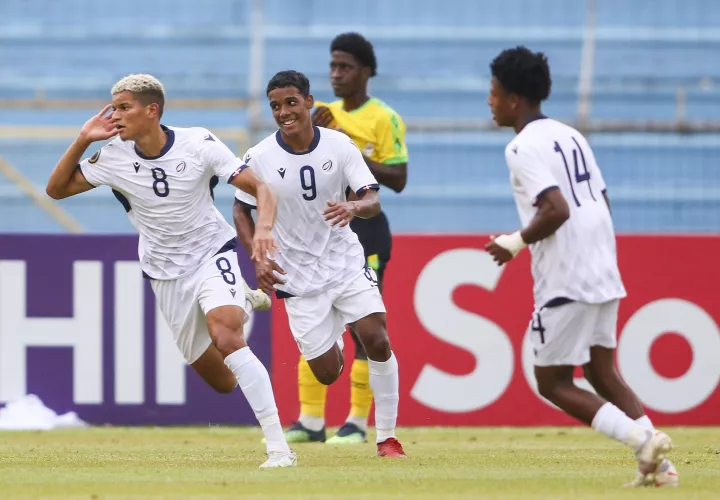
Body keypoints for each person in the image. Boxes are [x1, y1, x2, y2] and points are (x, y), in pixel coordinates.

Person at [45, 74, 296, 469]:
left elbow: (261, 188)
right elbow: (56, 190)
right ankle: (241, 295)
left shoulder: (198, 143)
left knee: (227, 334)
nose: (115, 116)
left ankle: (279, 449)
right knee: (224, 381)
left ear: (152, 110)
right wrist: (82, 140)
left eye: (124, 107)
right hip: (165, 273)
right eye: (112, 108)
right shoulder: (112, 155)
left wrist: (262, 232)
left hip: (213, 252)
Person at [484, 47, 677, 488]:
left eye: (493, 93)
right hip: (602, 267)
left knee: (551, 381)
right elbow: (600, 201)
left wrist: (513, 243)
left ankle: (642, 440)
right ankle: (660, 469)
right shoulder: (571, 135)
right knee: (600, 371)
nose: (490, 102)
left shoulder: (521, 146)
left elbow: (556, 209)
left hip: (566, 274)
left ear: (513, 99)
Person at [233, 70, 406, 458]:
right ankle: (333, 334)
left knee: (376, 337)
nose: (284, 112)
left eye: (291, 102)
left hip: (344, 261)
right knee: (327, 372)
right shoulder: (259, 157)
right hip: (297, 276)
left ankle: (388, 437)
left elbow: (372, 198)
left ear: (309, 102)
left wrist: (354, 206)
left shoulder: (339, 145)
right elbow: (240, 210)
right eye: (275, 106)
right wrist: (257, 256)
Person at [273, 32, 408, 445]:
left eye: (345, 67)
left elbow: (398, 179)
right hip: (319, 232)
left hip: (364, 229)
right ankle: (311, 421)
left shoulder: (383, 118)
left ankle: (357, 422)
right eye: (332, 66)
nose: (336, 74)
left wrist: (347, 139)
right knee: (314, 318)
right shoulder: (318, 115)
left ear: (366, 71)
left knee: (365, 328)